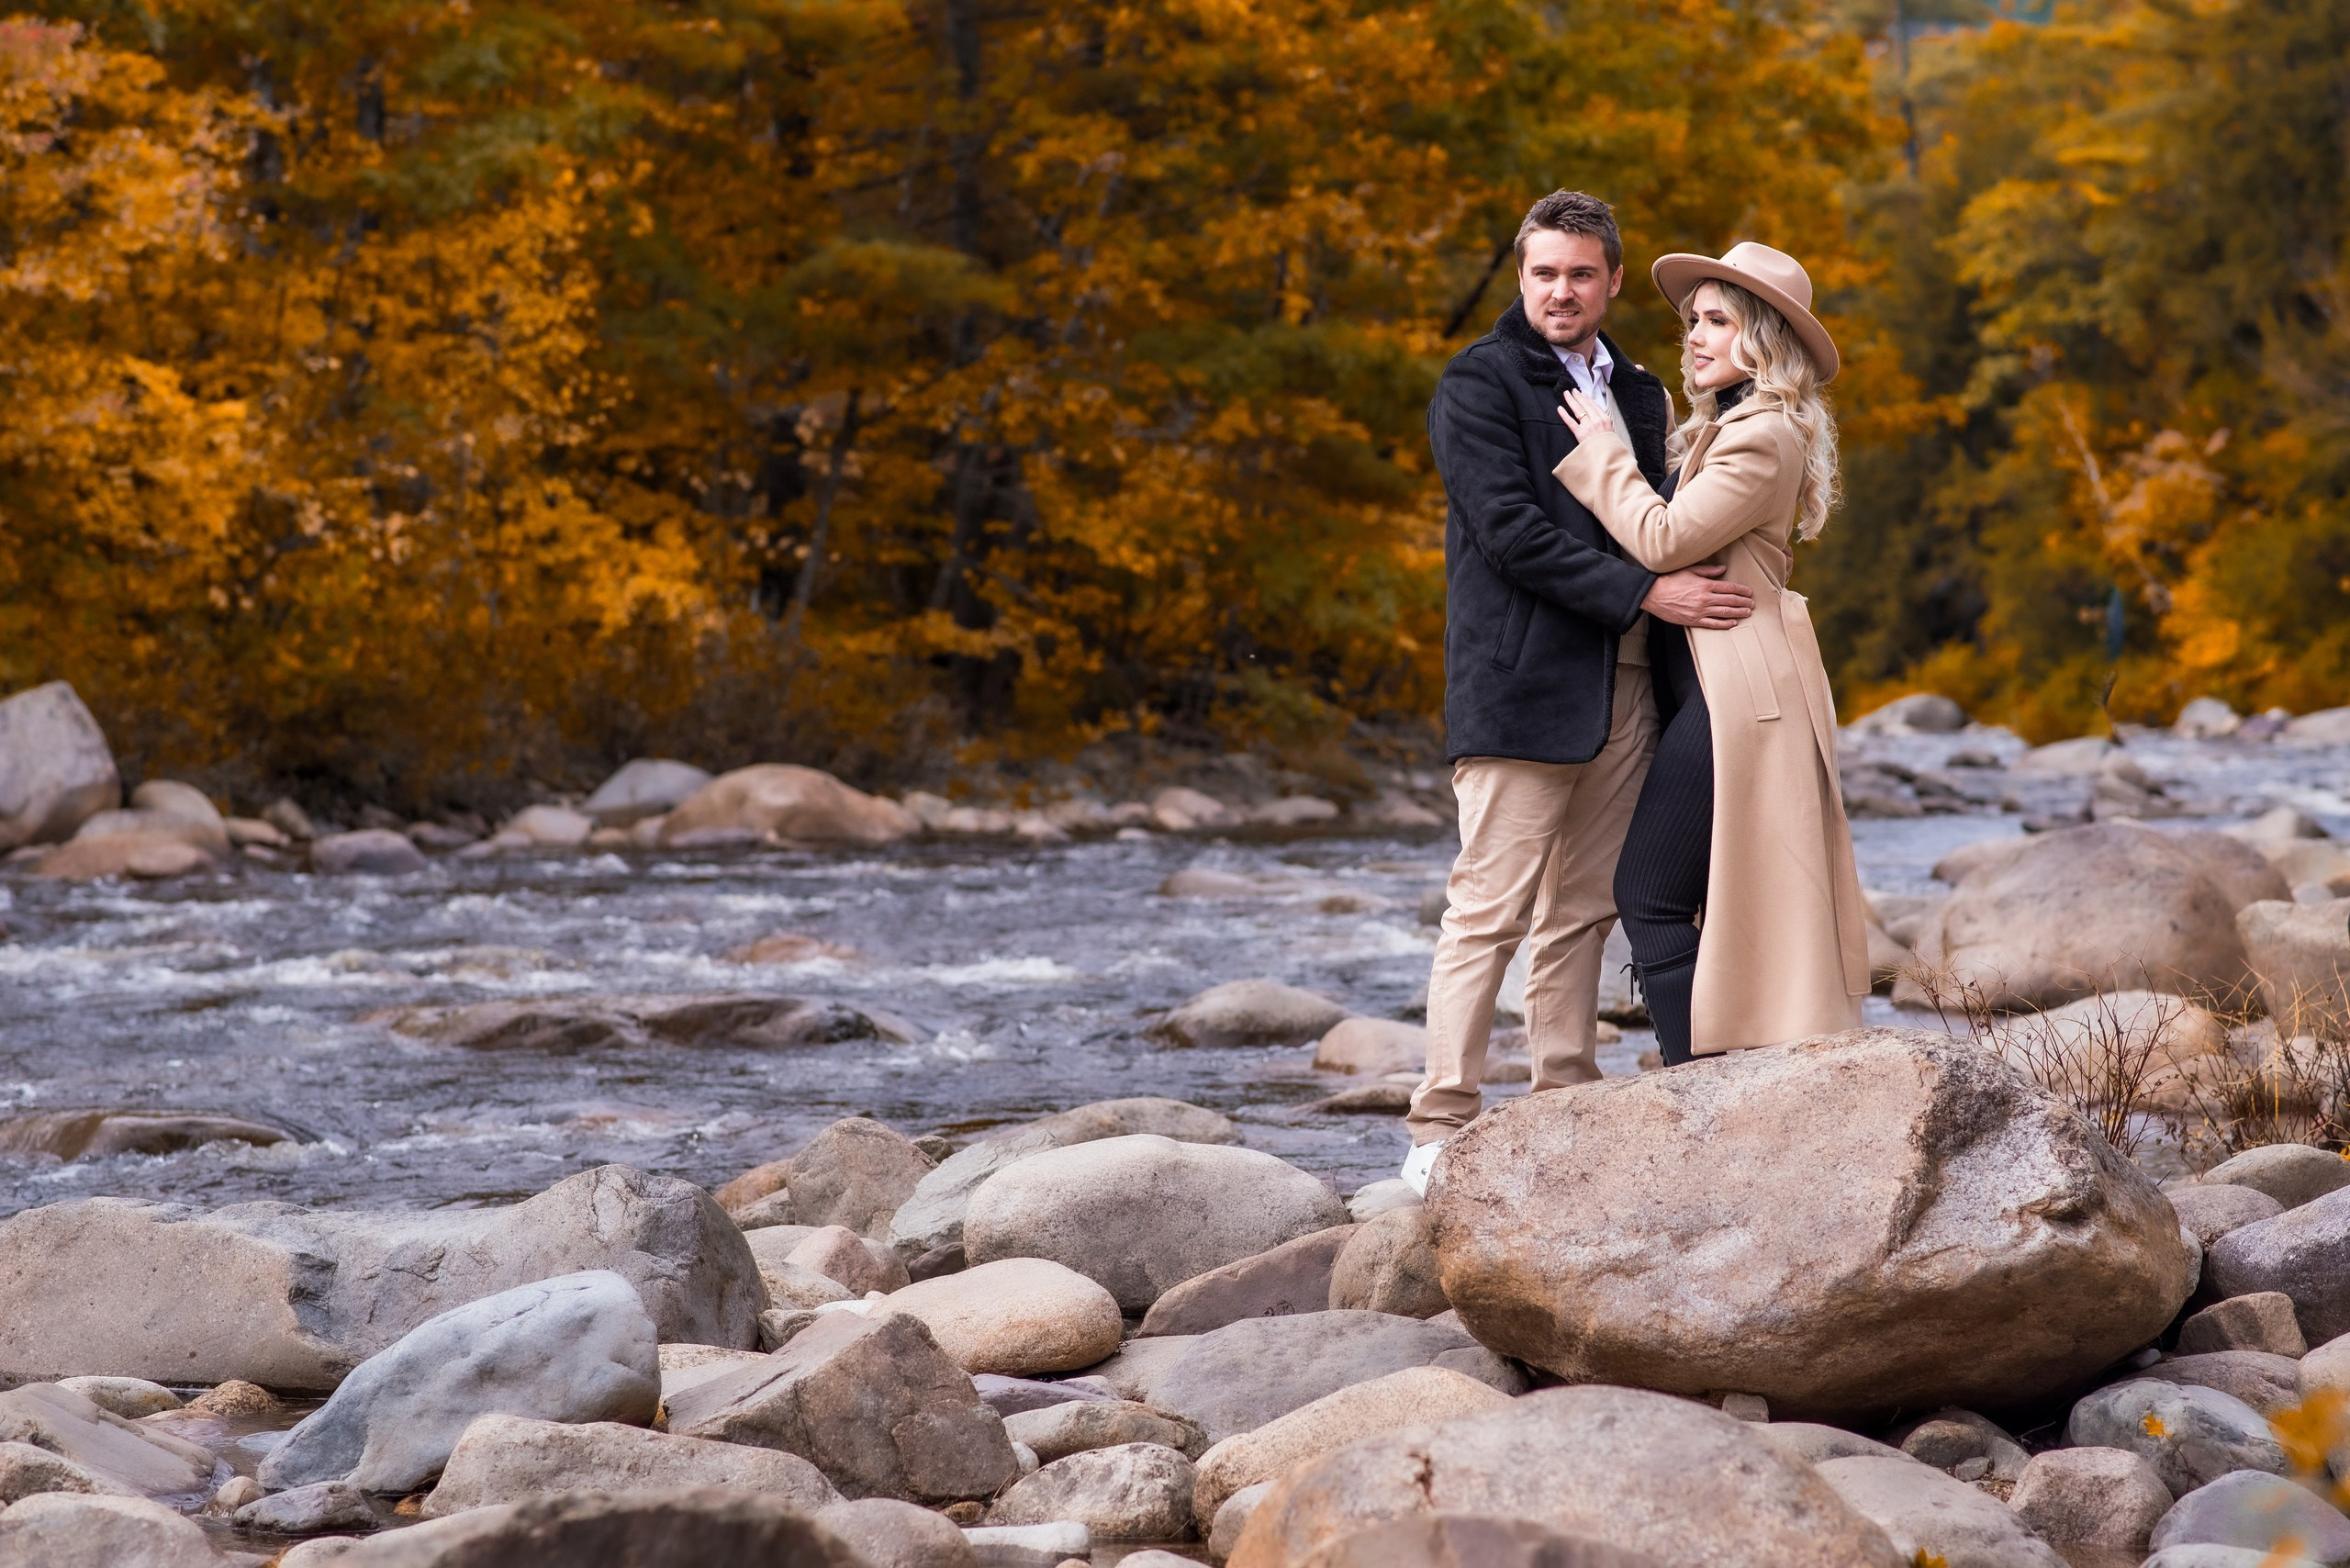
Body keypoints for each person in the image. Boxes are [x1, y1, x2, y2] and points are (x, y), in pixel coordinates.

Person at [1401, 192, 1756, 1193]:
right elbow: (1510, 534)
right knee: (1486, 911)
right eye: (1544, 272)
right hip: (1517, 687)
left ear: (1607, 279)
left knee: (1582, 913)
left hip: (1628, 685)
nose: (1561, 290)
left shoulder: (1640, 390)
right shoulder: (1476, 384)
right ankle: (1438, 1125)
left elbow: (1656, 516)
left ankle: (1562, 1103)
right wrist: (1647, 587)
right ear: (1522, 275)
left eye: (1581, 274)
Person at [1552, 241, 1871, 1063]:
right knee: (1701, 899)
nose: (1693, 335)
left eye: (1717, 321)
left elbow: (1660, 540)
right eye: (1692, 319)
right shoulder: (1721, 427)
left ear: (1762, 339)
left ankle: (1701, 1083)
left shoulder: (1762, 435)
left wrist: (1602, 452)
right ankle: (1716, 1071)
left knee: (1648, 895)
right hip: (1708, 683)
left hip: (1743, 689)